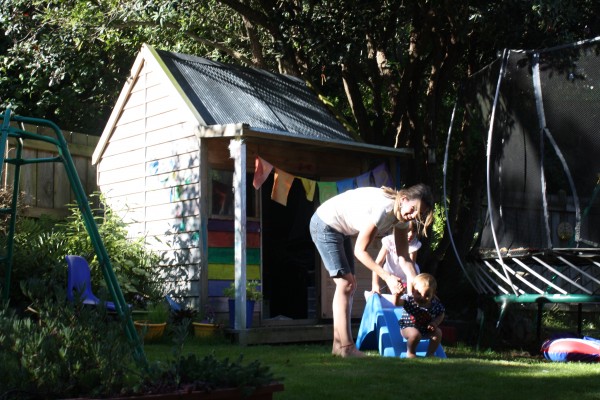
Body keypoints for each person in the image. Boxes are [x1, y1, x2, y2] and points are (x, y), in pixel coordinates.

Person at [309, 184, 434, 357]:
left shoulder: (401, 220)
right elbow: (360, 251)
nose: (412, 216)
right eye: (412, 210)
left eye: (417, 215)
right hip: (325, 224)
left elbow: (404, 257)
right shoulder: (384, 209)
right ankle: (346, 347)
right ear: (404, 199)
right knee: (345, 284)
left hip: (340, 230)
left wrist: (415, 284)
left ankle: (338, 347)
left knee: (349, 285)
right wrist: (387, 276)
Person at [393, 273, 445, 358]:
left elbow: (441, 313)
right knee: (415, 334)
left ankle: (430, 354)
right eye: (418, 293)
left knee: (438, 332)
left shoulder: (435, 304)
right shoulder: (409, 299)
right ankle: (411, 353)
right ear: (413, 291)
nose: (422, 297)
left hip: (425, 328)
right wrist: (397, 295)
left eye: (427, 295)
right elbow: (396, 303)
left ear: (433, 294)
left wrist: (435, 323)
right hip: (408, 327)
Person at [371, 220, 422, 295]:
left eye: (414, 231)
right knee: (394, 294)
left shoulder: (413, 244)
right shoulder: (389, 241)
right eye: (408, 231)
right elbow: (378, 262)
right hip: (391, 272)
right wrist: (375, 285)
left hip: (406, 274)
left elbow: (411, 268)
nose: (411, 234)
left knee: (407, 296)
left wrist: (410, 293)